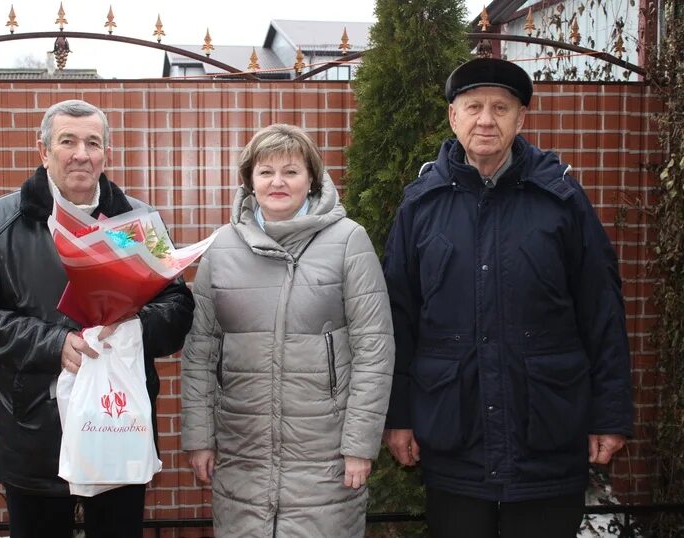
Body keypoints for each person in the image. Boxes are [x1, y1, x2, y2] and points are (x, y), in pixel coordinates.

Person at [382, 57, 634, 538]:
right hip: (455, 439)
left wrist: (611, 414)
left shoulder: (562, 199)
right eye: (473, 106)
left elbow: (602, 310)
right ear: (453, 117)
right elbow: (398, 321)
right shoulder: (420, 206)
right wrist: (399, 417)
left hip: (547, 434)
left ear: (521, 119)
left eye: (501, 107)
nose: (485, 119)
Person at [0, 99, 195, 538]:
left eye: (92, 142)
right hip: (36, 434)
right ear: (44, 152)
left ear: (106, 155)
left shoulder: (138, 221)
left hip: (118, 428)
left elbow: (177, 307)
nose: (81, 153)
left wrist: (136, 329)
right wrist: (53, 345)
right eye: (67, 141)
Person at [181, 123, 395, 537]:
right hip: (243, 458)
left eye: (291, 171)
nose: (277, 181)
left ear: (312, 178)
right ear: (249, 180)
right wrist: (199, 438)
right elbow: (201, 350)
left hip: (326, 461)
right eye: (265, 171)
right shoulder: (222, 248)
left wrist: (359, 446)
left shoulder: (349, 241)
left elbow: (374, 349)